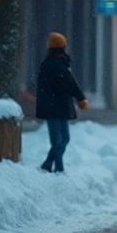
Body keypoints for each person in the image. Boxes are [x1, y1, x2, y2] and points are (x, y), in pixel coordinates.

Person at [36, 32, 88, 173]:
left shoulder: (48, 64)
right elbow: (70, 84)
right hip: (58, 106)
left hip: (53, 107)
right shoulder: (59, 64)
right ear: (62, 47)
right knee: (62, 140)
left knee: (59, 140)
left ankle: (49, 164)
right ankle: (58, 168)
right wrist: (80, 98)